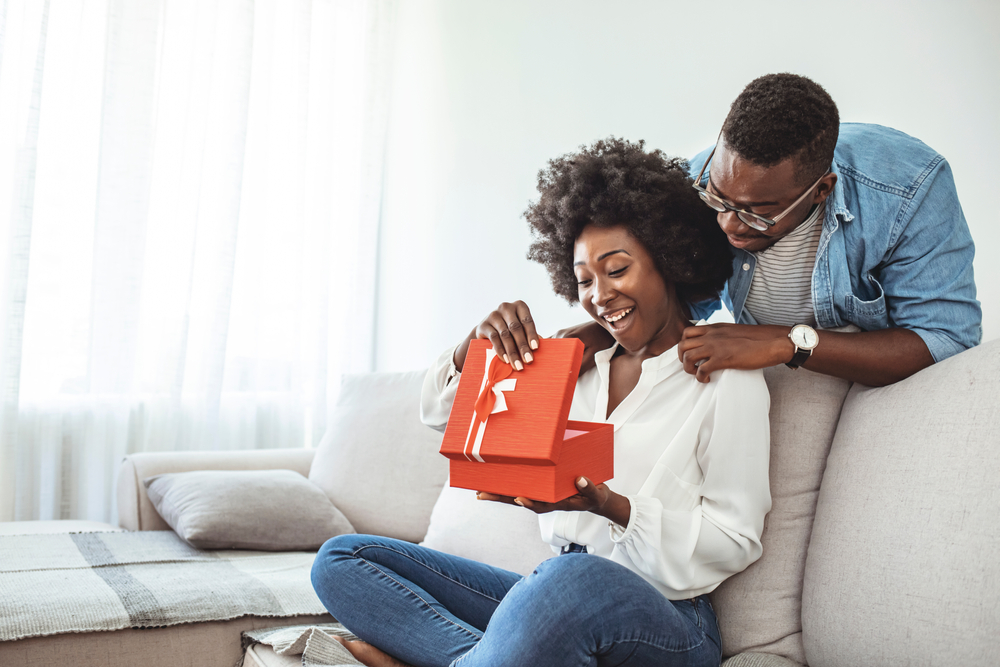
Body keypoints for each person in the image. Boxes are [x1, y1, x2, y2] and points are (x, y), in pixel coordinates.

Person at [310, 138, 771, 667]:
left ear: (669, 259)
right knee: (344, 559)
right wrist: (473, 350)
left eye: (617, 270)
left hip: (667, 620)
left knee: (573, 576)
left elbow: (735, 539)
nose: (599, 296)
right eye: (583, 281)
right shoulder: (573, 365)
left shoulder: (722, 378)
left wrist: (611, 507)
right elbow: (443, 416)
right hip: (552, 598)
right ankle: (490, 658)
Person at [559, 74, 981, 387]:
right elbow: (681, 293)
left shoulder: (908, 190)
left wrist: (788, 343)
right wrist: (607, 328)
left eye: (757, 214)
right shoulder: (695, 182)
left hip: (881, 381)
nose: (727, 223)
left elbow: (944, 338)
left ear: (821, 191)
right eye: (719, 199)